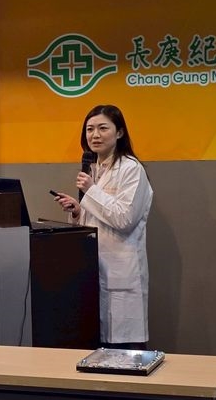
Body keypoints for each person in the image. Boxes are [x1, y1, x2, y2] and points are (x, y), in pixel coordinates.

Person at [53, 104, 153, 350]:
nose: (95, 135)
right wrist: (78, 211)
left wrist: (91, 190)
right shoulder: (94, 168)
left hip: (121, 272)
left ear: (119, 132)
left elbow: (124, 219)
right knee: (96, 349)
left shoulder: (131, 169)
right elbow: (98, 216)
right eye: (89, 129)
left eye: (102, 128)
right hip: (92, 269)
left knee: (124, 351)